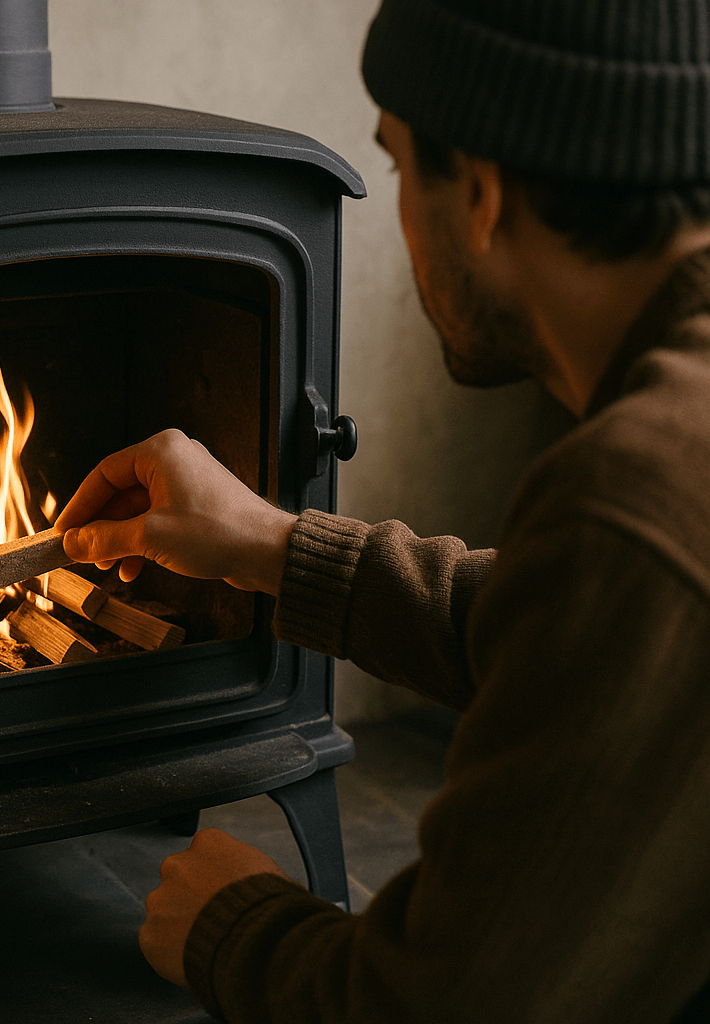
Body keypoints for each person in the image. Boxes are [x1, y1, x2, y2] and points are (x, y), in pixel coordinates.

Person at [54, 1, 710, 1020]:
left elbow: (441, 1004)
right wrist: (272, 543)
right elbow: (575, 626)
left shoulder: (636, 495)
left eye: (401, 168)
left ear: (483, 195)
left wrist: (234, 921)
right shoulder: (661, 474)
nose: (400, 209)